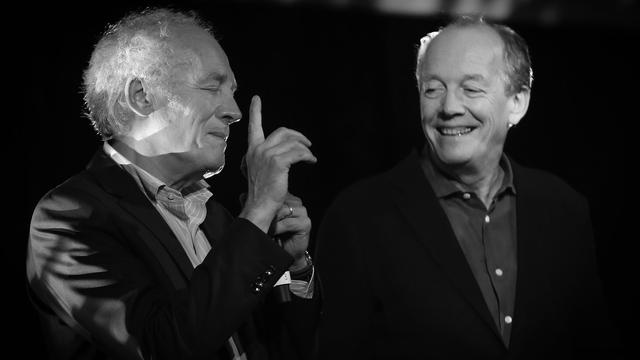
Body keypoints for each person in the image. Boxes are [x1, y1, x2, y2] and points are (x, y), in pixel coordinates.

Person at [316, 16, 622, 359]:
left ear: (518, 102)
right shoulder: (360, 216)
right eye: (433, 89)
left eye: (471, 89)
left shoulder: (564, 209)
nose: (449, 107)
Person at [26, 8, 319, 360]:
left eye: (232, 91)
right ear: (141, 96)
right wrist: (256, 213)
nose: (234, 111)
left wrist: (294, 266)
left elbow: (284, 347)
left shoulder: (221, 221)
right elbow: (160, 345)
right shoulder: (68, 219)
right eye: (212, 86)